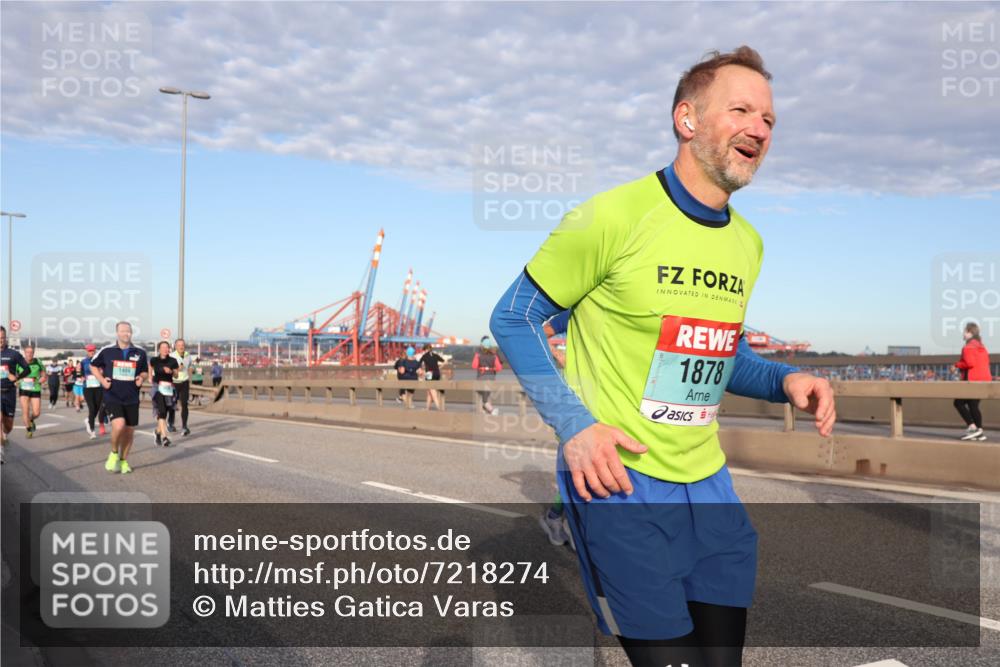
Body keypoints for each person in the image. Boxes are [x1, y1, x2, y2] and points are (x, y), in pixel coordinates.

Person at [490, 47, 835, 667]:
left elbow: (723, 358)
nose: (759, 127)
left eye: (769, 119)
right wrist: (574, 427)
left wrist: (789, 380)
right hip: (622, 485)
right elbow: (513, 317)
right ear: (687, 119)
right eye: (741, 109)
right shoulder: (611, 217)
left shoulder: (747, 244)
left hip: (711, 491)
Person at [90, 321, 149, 475]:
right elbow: (93, 365)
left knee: (129, 431)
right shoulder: (107, 350)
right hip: (112, 395)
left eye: (128, 331)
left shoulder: (140, 352)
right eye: (123, 331)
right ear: (117, 333)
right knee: (119, 425)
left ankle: (123, 461)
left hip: (132, 397)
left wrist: (142, 378)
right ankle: (114, 453)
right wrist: (102, 381)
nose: (126, 334)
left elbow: (144, 371)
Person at [954, 321, 991, 441]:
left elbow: (970, 363)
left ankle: (972, 427)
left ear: (970, 333)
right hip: (984, 380)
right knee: (973, 405)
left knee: (958, 402)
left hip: (973, 380)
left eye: (965, 332)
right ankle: (979, 431)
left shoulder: (968, 347)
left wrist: (957, 365)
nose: (963, 334)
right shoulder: (982, 347)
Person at [1, 326, 31, 464]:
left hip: (9, 392)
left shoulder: (13, 354)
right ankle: (0, 451)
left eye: (2, 338)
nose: (0, 341)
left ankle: (5, 435)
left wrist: (17, 377)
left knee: (8, 425)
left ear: (5, 338)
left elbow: (27, 369)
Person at [150, 341, 179, 447]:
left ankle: (157, 432)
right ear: (159, 349)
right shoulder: (154, 360)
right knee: (161, 411)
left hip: (169, 388)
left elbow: (176, 375)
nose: (165, 349)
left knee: (165, 413)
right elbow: (150, 368)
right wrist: (150, 378)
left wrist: (171, 371)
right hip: (158, 388)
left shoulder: (173, 361)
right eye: (163, 347)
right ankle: (164, 437)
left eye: (167, 347)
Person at [17, 346, 44, 439]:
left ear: (33, 353)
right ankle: (29, 430)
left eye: (31, 352)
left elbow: (44, 374)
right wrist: (16, 381)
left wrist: (43, 379)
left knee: (37, 412)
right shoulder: (19, 363)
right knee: (25, 410)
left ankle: (31, 420)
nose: (29, 354)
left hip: (35, 388)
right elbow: (14, 374)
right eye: (27, 352)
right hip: (23, 389)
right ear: (24, 353)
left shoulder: (38, 362)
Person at [81, 344, 108, 439]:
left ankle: (88, 420)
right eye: (89, 350)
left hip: (98, 387)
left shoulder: (100, 362)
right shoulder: (84, 362)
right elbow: (80, 374)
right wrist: (82, 378)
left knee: (97, 408)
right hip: (88, 388)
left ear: (95, 351)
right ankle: (92, 431)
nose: (91, 352)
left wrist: (102, 374)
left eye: (93, 350)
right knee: (92, 408)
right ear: (86, 351)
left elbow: (105, 372)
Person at [167, 338, 192, 436]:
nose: (181, 347)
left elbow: (190, 366)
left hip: (184, 382)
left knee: (184, 404)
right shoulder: (171, 356)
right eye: (179, 345)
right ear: (175, 346)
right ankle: (171, 424)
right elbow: (168, 370)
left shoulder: (188, 355)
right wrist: (177, 369)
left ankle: (184, 426)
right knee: (173, 405)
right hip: (174, 383)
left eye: (183, 345)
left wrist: (190, 373)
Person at [471, 336, 502, 415]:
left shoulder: (478, 355)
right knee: (487, 394)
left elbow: (474, 366)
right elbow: (499, 368)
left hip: (482, 376)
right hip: (491, 376)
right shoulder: (494, 356)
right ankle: (486, 410)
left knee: (483, 396)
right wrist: (492, 368)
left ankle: (491, 410)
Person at [419, 344, 445, 411]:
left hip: (429, 373)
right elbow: (444, 361)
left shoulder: (424, 356)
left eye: (424, 350)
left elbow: (418, 365)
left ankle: (440, 408)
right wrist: (439, 368)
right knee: (429, 392)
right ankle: (427, 408)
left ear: (426, 350)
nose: (424, 352)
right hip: (437, 373)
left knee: (433, 392)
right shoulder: (435, 355)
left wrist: (421, 372)